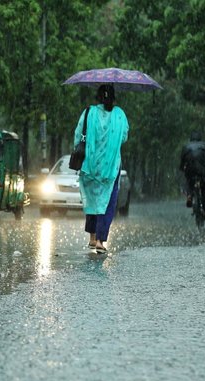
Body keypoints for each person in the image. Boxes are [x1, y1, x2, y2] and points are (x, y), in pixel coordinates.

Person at [75, 84, 129, 254]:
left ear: (97, 96)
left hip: (89, 165)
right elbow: (124, 137)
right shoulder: (120, 114)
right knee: (107, 202)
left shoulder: (89, 112)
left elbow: (78, 136)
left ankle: (92, 237)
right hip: (111, 167)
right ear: (113, 97)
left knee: (93, 200)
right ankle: (100, 241)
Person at [179, 132, 205, 218]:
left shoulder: (186, 146)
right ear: (200, 138)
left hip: (190, 170)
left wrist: (182, 168)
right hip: (203, 170)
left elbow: (182, 161)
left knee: (189, 181)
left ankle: (189, 196)